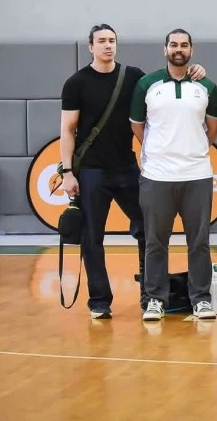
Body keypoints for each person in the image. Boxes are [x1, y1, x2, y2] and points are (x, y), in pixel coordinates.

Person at [59, 25, 205, 319]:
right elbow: (67, 129)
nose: (107, 46)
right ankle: (99, 301)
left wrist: (193, 71)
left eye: (111, 40)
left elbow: (167, 82)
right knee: (92, 237)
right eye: (101, 41)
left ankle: (149, 295)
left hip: (127, 167)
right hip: (90, 171)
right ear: (90, 47)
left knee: (149, 229)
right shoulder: (76, 83)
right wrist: (67, 172)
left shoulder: (133, 77)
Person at [130, 29, 217, 321]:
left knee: (199, 241)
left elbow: (214, 127)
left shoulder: (206, 85)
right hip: (157, 176)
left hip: (197, 174)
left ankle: (201, 299)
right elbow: (137, 125)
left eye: (184, 45)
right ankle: (156, 299)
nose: (178, 49)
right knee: (156, 241)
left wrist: (193, 149)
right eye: (173, 44)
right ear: (165, 49)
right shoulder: (147, 84)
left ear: (191, 50)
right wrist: (160, 150)